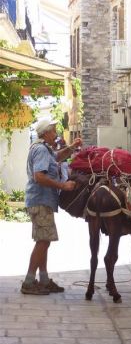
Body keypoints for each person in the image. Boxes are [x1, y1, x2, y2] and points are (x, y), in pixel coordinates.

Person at [21, 116, 83, 295]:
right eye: (53, 130)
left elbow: (57, 156)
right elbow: (39, 176)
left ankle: (44, 280)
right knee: (43, 241)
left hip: (42, 201)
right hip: (40, 200)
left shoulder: (45, 149)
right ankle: (29, 282)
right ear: (45, 132)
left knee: (44, 240)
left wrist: (71, 148)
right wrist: (63, 185)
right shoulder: (41, 150)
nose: (55, 134)